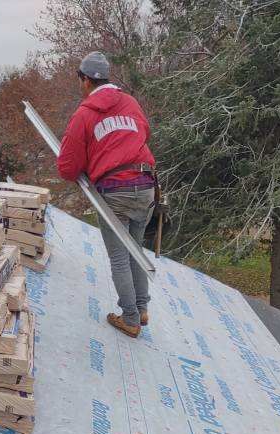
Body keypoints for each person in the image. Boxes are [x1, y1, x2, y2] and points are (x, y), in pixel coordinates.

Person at [57, 51, 156, 339]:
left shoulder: (85, 114)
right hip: (146, 185)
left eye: (80, 79)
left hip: (115, 191)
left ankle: (130, 319)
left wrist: (96, 160)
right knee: (135, 250)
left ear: (85, 80)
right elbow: (143, 135)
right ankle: (142, 308)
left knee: (119, 257)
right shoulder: (131, 103)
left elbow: (67, 166)